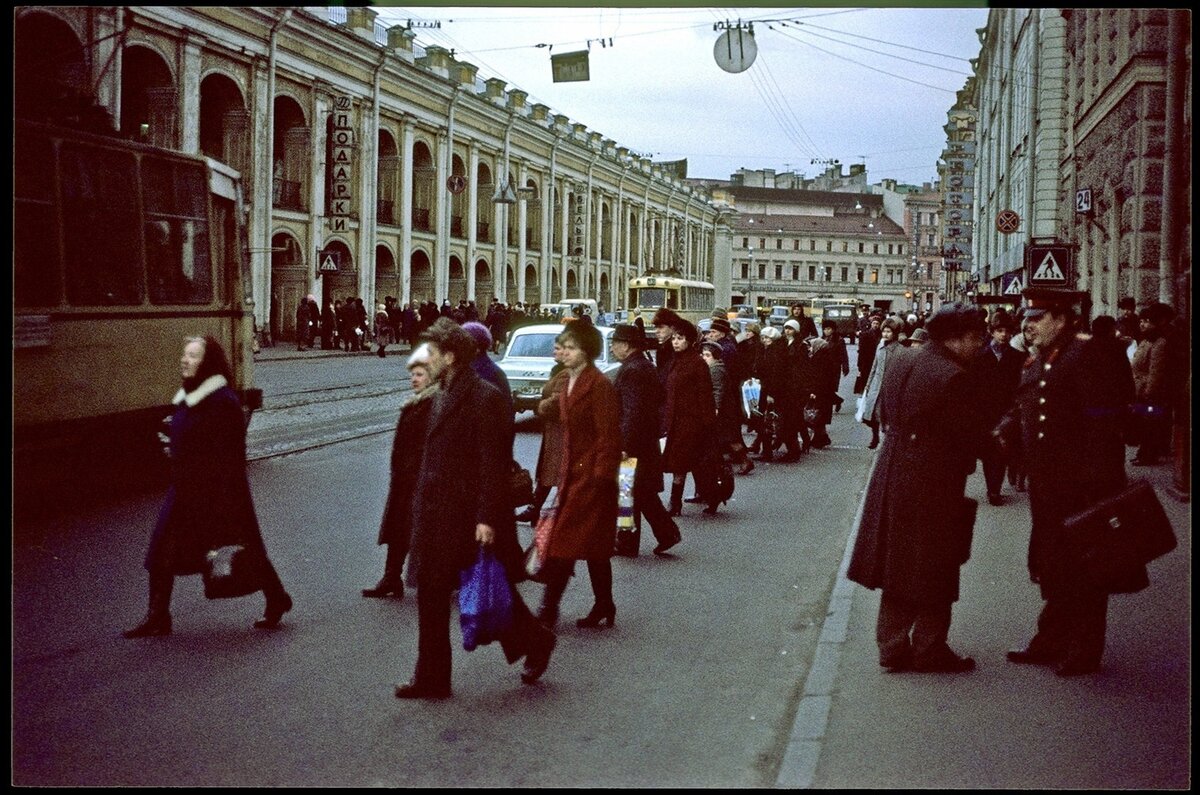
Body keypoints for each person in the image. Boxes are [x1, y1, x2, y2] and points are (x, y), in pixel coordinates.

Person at [395, 318, 556, 698]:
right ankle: (433, 678)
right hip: (436, 513)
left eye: (431, 353)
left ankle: (536, 641)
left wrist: (486, 517)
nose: (424, 359)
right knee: (433, 594)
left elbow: (491, 463)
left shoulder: (484, 397)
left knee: (487, 588)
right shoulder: (440, 392)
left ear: (449, 357)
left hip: (466, 516)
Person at [996, 288, 1136, 677]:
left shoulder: (1087, 354)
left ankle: (1084, 649)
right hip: (1048, 485)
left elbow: (1104, 423)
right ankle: (1051, 639)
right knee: (1054, 564)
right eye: (1027, 316)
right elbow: (1026, 404)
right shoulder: (1041, 358)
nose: (1028, 324)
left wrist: (1099, 485)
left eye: (1036, 317)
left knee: (1086, 570)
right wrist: (1007, 428)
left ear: (1060, 317)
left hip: (1082, 485)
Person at [847, 304, 987, 674]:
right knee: (937, 562)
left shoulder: (903, 360)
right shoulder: (953, 375)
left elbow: (887, 411)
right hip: (933, 479)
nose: (980, 344)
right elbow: (966, 434)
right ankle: (930, 647)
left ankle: (892, 646)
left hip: (894, 469)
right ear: (956, 338)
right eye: (976, 337)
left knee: (901, 562)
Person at [124, 336, 292, 637]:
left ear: (207, 363)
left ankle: (277, 598)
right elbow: (188, 431)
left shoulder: (222, 400)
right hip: (185, 489)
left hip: (217, 492)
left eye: (193, 355)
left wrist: (183, 449)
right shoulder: (190, 395)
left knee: (245, 547)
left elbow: (225, 451)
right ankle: (158, 616)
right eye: (184, 354)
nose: (185, 360)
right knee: (162, 550)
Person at [535, 321, 622, 630]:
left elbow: (609, 437)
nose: (564, 353)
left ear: (586, 352)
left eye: (570, 348)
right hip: (573, 475)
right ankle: (604, 604)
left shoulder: (598, 385)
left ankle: (547, 611)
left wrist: (599, 478)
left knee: (564, 544)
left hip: (592, 481)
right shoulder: (568, 381)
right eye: (563, 347)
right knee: (594, 547)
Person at [364, 343, 438, 599]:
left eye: (420, 375)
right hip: (404, 478)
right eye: (413, 374)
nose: (414, 379)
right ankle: (391, 577)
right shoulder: (415, 403)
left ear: (432, 378)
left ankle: (437, 579)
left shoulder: (435, 404)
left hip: (422, 478)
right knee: (398, 529)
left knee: (422, 530)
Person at [610, 324, 681, 556]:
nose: (612, 348)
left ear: (627, 345)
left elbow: (633, 412)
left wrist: (624, 446)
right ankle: (666, 533)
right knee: (642, 493)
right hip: (644, 443)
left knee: (628, 493)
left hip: (634, 446)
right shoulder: (640, 366)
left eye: (615, 343)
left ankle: (628, 542)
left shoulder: (633, 370)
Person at [662, 318, 717, 516]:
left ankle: (701, 499)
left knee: (690, 464)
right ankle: (679, 502)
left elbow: (705, 395)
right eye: (674, 338)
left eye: (680, 338)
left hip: (693, 422)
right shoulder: (675, 362)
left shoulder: (697, 363)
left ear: (689, 340)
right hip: (677, 422)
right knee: (684, 463)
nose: (675, 342)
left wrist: (708, 424)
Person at [971, 312, 1025, 505]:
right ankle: (992, 488)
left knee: (1001, 451)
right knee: (988, 452)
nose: (1003, 335)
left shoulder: (1016, 357)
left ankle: (995, 490)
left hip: (1007, 412)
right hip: (984, 411)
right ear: (992, 332)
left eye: (1007, 331)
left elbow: (1021, 384)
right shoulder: (980, 356)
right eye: (999, 331)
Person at [515, 348, 566, 524]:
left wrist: (541, 406)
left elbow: (557, 401)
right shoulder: (561, 371)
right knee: (550, 473)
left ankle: (537, 510)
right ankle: (535, 509)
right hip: (554, 430)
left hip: (559, 431)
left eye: (560, 348)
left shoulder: (565, 373)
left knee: (554, 472)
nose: (555, 350)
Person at [699, 340, 744, 512]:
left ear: (715, 357)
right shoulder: (714, 368)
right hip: (723, 417)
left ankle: (714, 493)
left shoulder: (716, 370)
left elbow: (717, 391)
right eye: (703, 354)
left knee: (715, 454)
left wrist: (715, 409)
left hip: (720, 418)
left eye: (707, 355)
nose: (704, 358)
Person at [1130, 303, 1176, 466]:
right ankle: (1143, 453)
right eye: (1141, 320)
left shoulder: (1159, 343)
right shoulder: (1147, 341)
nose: (1142, 324)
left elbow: (1156, 372)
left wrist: (1149, 393)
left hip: (1150, 393)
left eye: (1147, 321)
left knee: (1150, 426)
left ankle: (1148, 455)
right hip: (1142, 391)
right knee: (1145, 425)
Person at [859, 316, 903, 450]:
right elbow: (874, 366)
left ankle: (885, 441)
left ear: (894, 333)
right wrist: (868, 383)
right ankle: (875, 437)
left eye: (889, 332)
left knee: (885, 414)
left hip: (890, 386)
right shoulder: (880, 346)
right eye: (884, 331)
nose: (885, 334)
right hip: (876, 385)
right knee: (872, 414)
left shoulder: (899, 349)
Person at [806, 336, 839, 449]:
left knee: (816, 416)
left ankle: (821, 439)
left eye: (811, 346)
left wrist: (814, 391)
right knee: (819, 417)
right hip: (825, 392)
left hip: (820, 392)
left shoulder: (820, 357)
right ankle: (821, 438)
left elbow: (819, 376)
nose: (810, 349)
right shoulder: (826, 355)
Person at [855, 312, 883, 395]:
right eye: (874, 323)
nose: (875, 325)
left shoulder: (881, 335)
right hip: (867, 361)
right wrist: (860, 365)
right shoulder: (865, 335)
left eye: (877, 324)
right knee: (865, 378)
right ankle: (863, 393)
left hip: (877, 359)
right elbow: (861, 351)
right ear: (871, 324)